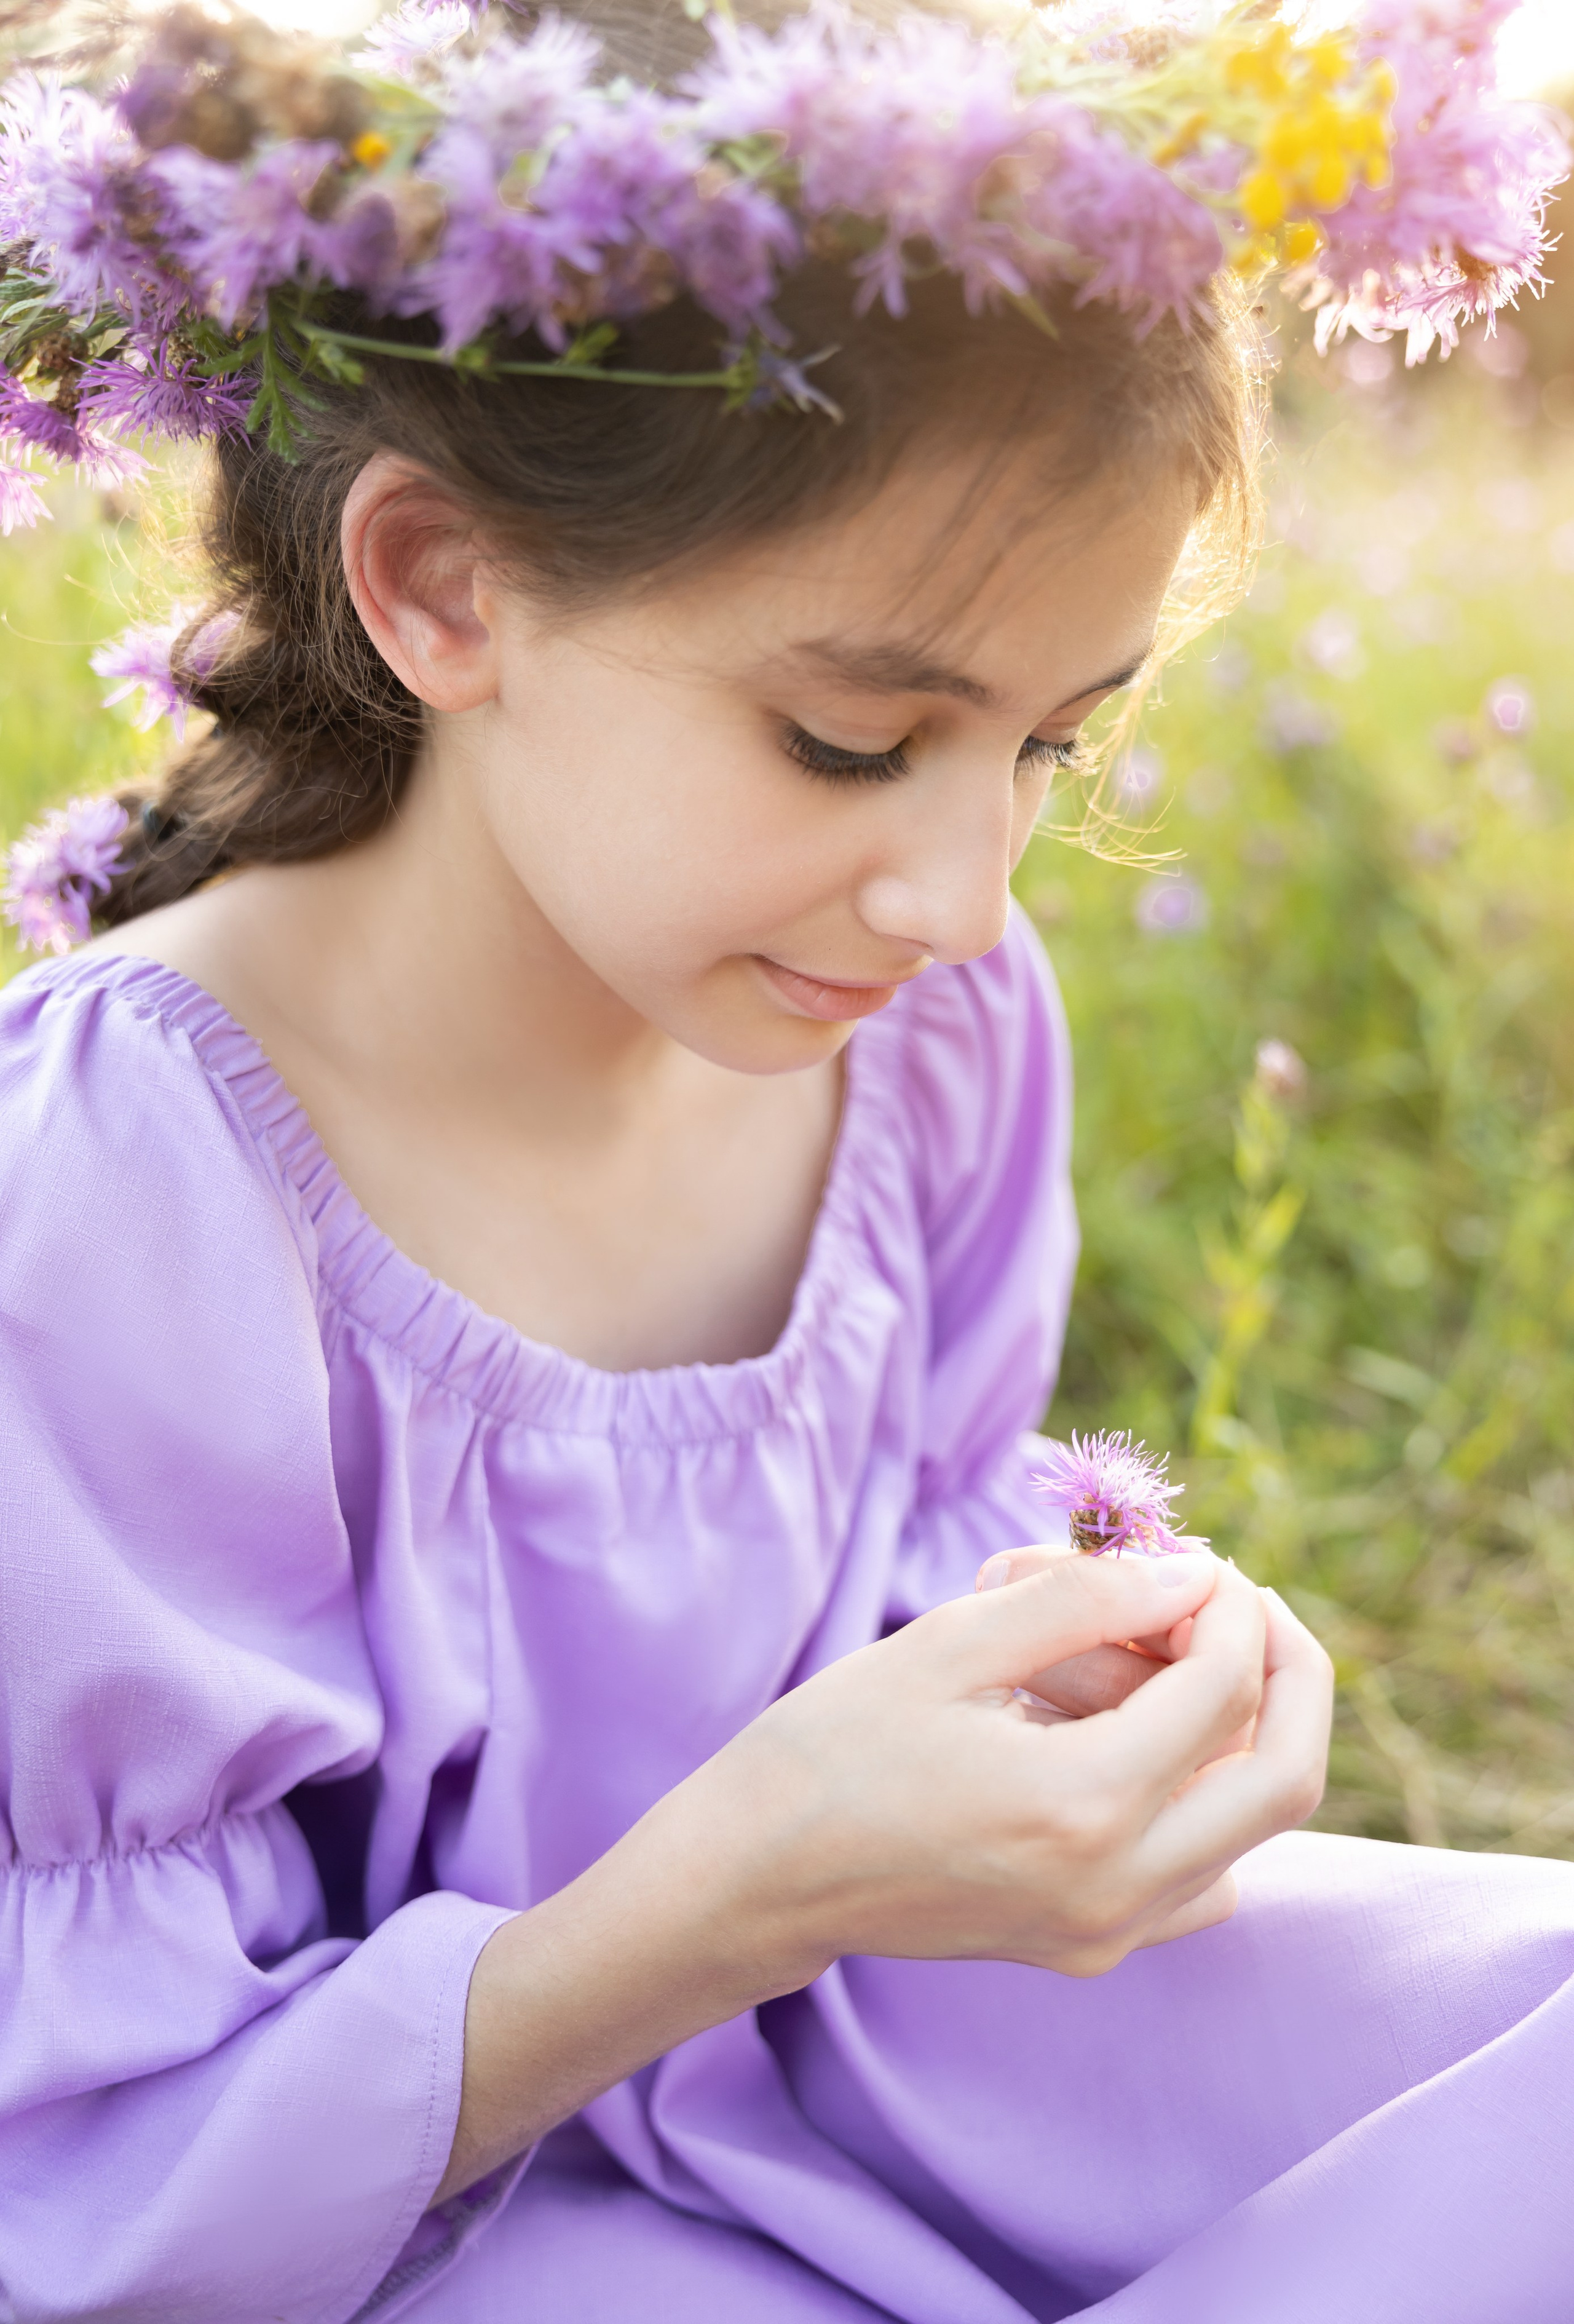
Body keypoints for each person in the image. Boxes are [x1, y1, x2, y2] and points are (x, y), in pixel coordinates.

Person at [1, 2, 1572, 2317]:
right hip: (422, 2192)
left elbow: (918, 1610)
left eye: (1052, 739)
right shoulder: (135, 1181)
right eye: (856, 740)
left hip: (874, 2023)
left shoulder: (920, 1036)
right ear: (440, 587)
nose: (967, 897)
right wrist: (738, 1883)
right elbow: (94, 2169)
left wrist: (1115, 1694)